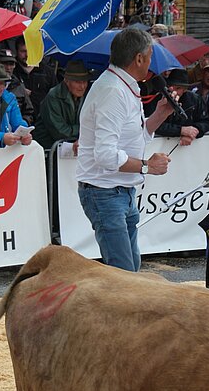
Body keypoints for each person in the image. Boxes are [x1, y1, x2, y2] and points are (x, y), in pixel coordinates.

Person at [75, 27, 176, 272]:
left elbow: (136, 135)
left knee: (130, 268)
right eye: (150, 56)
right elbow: (105, 155)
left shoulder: (122, 85)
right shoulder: (113, 90)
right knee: (123, 271)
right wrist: (146, 166)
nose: (152, 63)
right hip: (105, 192)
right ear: (139, 58)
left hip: (121, 190)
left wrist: (161, 113)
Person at [33, 60, 91, 149]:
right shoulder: (53, 97)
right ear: (66, 81)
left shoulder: (87, 95)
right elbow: (60, 132)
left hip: (69, 147)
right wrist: (84, 130)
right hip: (48, 149)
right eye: (78, 82)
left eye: (84, 82)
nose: (82, 86)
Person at [151, 68, 209, 142]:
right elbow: (153, 124)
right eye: (171, 86)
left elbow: (206, 122)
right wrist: (181, 130)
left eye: (178, 88)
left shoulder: (195, 99)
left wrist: (193, 132)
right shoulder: (159, 99)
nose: (173, 90)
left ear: (185, 89)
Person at [12, 36, 58, 112]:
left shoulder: (47, 72)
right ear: (16, 51)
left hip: (43, 119)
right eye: (23, 51)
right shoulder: (12, 71)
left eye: (30, 51)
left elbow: (55, 97)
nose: (27, 55)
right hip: (19, 119)